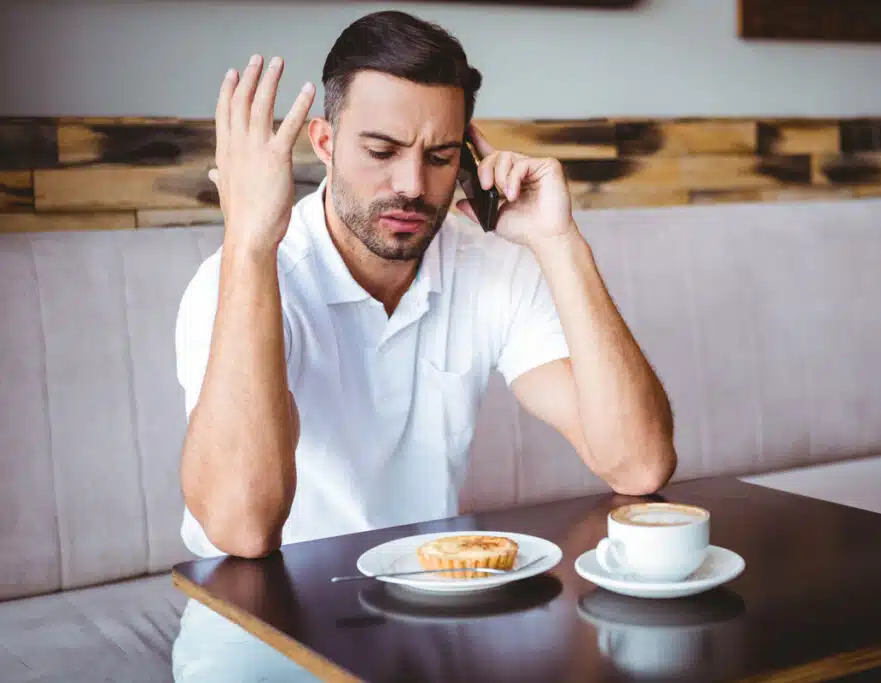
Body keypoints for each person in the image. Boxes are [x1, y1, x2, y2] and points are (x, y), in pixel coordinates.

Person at [172, 10, 677, 681]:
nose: (412, 184)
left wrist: (560, 243)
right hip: (259, 646)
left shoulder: (487, 264)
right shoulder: (240, 278)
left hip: (428, 630)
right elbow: (242, 526)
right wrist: (249, 245)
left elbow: (639, 464)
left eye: (439, 156)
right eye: (381, 152)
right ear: (323, 143)